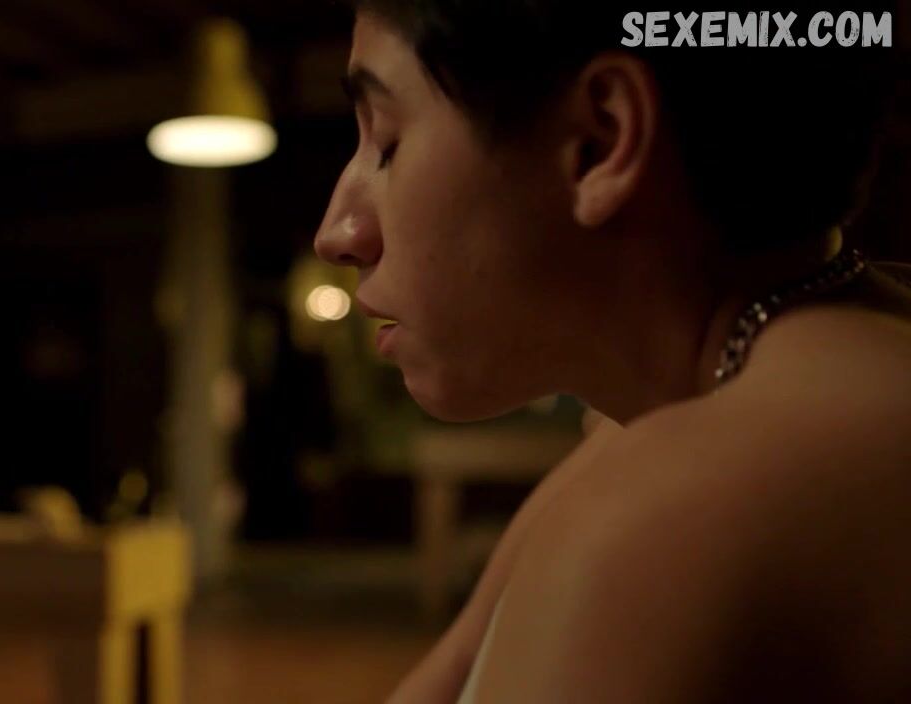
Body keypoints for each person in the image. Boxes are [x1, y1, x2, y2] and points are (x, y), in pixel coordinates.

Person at [313, 1, 911, 701]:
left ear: (600, 141)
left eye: (387, 143)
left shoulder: (667, 518)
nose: (337, 234)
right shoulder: (645, 442)